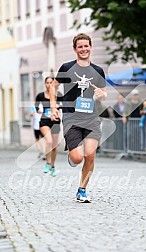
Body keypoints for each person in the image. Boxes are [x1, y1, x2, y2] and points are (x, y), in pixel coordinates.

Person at [50, 33, 107, 203]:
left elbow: (103, 94)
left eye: (86, 46)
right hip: (71, 118)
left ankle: (82, 190)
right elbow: (53, 87)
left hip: (91, 118)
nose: (83, 49)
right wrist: (53, 107)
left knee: (90, 156)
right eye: (80, 46)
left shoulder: (97, 70)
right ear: (75, 49)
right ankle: (72, 155)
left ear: (91, 47)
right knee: (77, 158)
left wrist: (101, 94)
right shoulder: (67, 67)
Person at [35, 76, 61, 176]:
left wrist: (59, 108)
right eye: (47, 82)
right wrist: (39, 110)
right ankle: (47, 162)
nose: (49, 84)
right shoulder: (40, 95)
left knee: (54, 147)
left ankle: (53, 166)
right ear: (45, 84)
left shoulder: (58, 95)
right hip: (45, 121)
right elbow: (36, 106)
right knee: (49, 141)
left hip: (55, 121)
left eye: (51, 82)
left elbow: (64, 105)